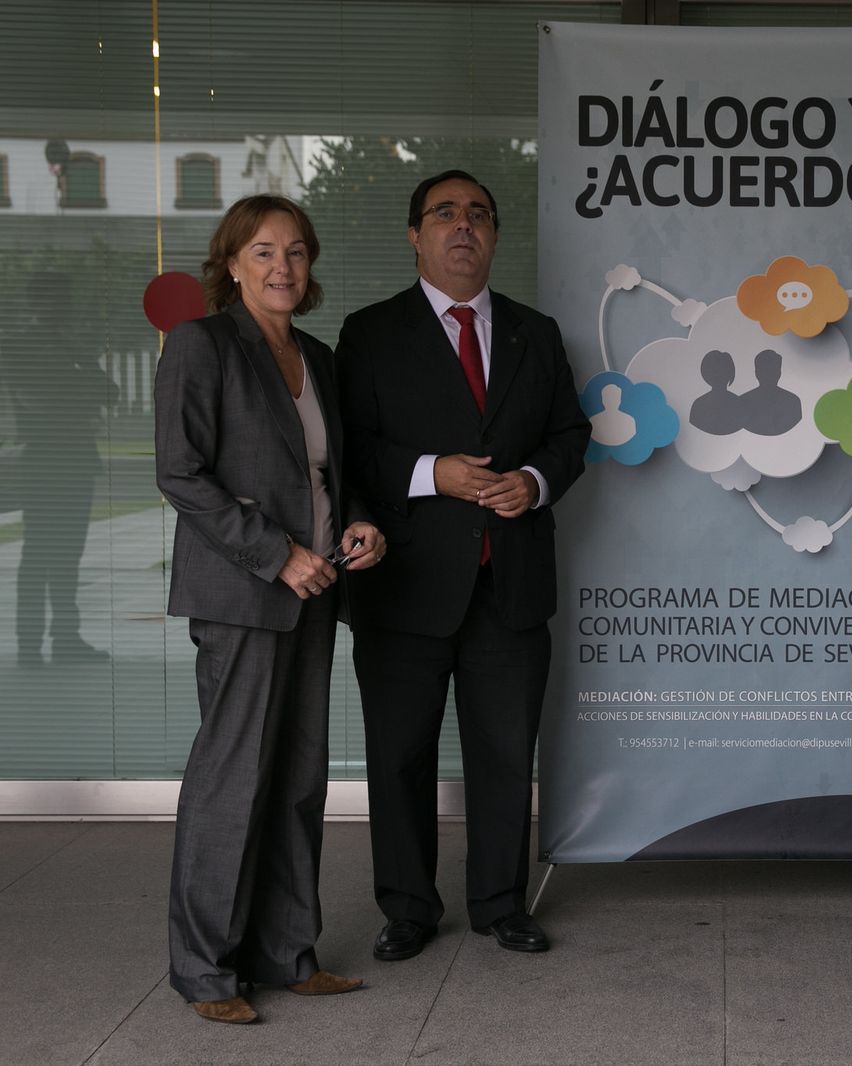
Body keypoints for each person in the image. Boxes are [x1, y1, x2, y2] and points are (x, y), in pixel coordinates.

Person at [336, 170, 590, 961]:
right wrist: (430, 474)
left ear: (494, 235)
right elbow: (351, 451)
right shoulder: (370, 333)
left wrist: (535, 481)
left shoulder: (534, 332)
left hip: (508, 584)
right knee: (401, 753)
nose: (462, 226)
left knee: (506, 753)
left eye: (478, 214)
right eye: (444, 214)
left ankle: (499, 903)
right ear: (415, 234)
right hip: (405, 585)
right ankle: (409, 907)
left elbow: (570, 434)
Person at [155, 195, 385, 1024]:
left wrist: (358, 522)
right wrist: (273, 553)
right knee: (232, 781)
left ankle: (288, 954)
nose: (281, 267)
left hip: (316, 592)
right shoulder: (202, 344)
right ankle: (207, 971)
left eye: (294, 252)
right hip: (245, 595)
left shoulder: (315, 357)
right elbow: (181, 473)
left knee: (296, 781)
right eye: (261, 252)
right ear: (230, 263)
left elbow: (330, 472)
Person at [5, 271, 113, 666]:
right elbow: (43, 397)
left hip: (72, 460)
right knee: (39, 555)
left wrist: (79, 365)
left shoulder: (70, 346)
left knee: (67, 555)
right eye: (58, 299)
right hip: (47, 460)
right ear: (39, 302)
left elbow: (108, 392)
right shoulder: (21, 346)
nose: (65, 307)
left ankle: (64, 636)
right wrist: (77, 380)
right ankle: (31, 643)